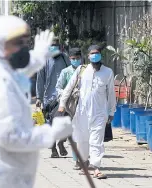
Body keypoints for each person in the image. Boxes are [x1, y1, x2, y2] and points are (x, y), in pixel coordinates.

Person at [0, 15, 73, 188]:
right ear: (0, 43)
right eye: (17, 43)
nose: (23, 49)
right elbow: (10, 137)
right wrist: (51, 133)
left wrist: (39, 57)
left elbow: (19, 73)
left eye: (25, 43)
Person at [59, 45, 116, 179]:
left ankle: (96, 167)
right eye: (92, 53)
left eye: (97, 53)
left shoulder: (108, 72)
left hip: (100, 113)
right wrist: (62, 104)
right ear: (88, 56)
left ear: (100, 55)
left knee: (96, 140)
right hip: (82, 112)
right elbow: (69, 88)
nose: (94, 56)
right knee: (82, 139)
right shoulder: (81, 70)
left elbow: (111, 93)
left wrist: (111, 111)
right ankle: (85, 163)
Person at [36, 37, 70, 158]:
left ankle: (61, 142)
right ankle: (53, 149)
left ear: (60, 47)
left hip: (64, 97)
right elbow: (40, 80)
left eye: (56, 46)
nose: (54, 48)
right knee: (50, 124)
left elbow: (72, 74)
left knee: (66, 121)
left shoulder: (65, 58)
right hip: (49, 98)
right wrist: (39, 98)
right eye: (52, 46)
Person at [55, 47, 82, 164]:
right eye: (73, 58)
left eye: (78, 58)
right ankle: (76, 158)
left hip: (83, 104)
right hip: (69, 105)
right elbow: (58, 88)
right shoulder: (66, 72)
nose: (75, 60)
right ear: (70, 59)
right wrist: (67, 94)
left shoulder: (86, 70)